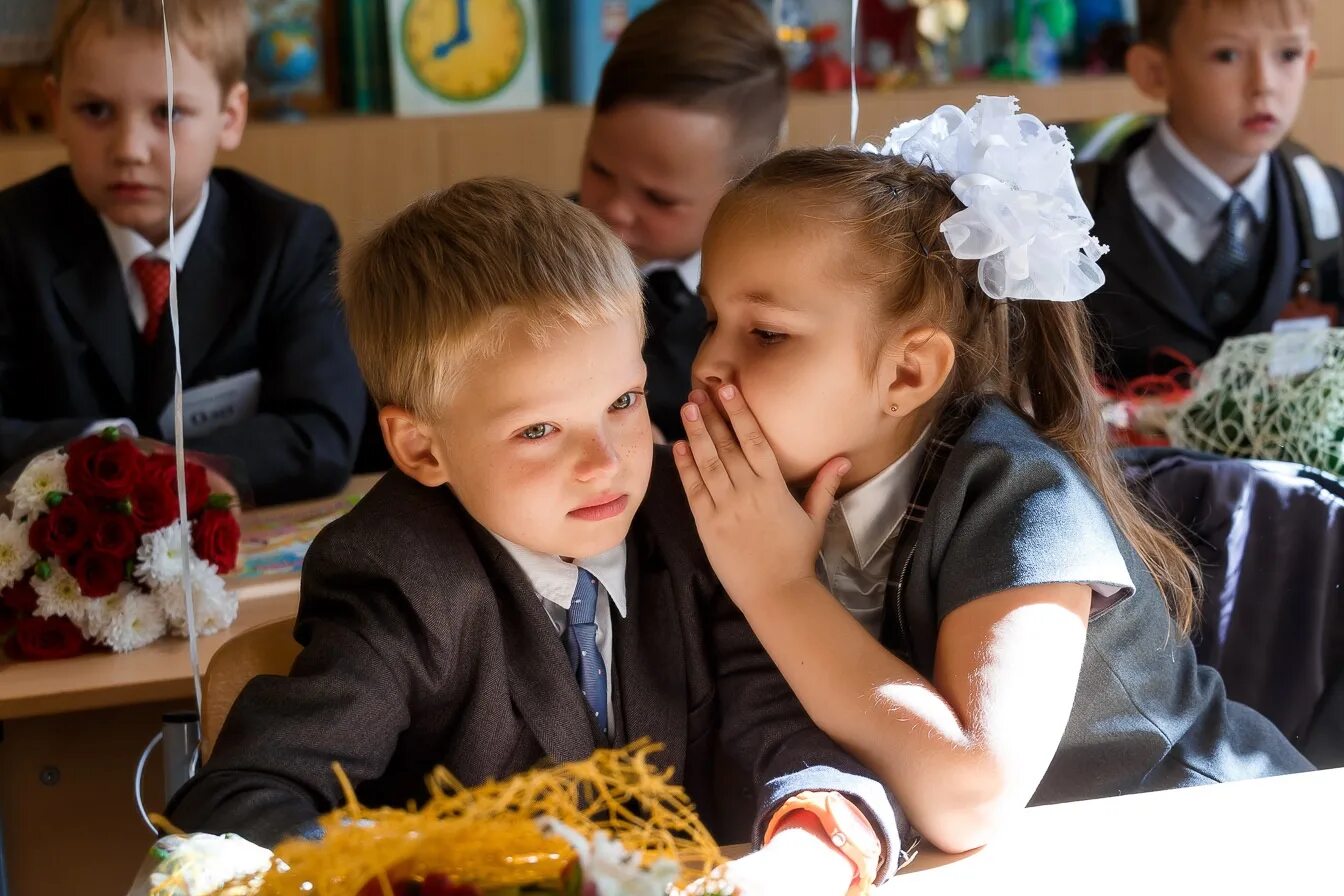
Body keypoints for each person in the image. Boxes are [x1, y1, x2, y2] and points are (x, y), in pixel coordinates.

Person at [168, 179, 909, 895]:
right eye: (539, 429)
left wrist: (810, 848)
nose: (605, 463)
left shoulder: (696, 519)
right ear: (422, 448)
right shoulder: (400, 572)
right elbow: (244, 796)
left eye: (622, 401)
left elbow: (781, 726)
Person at [673, 96, 1312, 855]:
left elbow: (972, 795)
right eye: (710, 319)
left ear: (908, 372)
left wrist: (777, 589)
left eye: (767, 334)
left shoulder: (1020, 493)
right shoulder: (773, 497)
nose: (709, 362)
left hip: (1222, 843)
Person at [0, 0, 364, 504]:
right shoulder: (11, 237)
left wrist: (164, 471)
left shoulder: (290, 239)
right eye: (95, 110)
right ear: (55, 108)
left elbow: (319, 435)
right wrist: (107, 452)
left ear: (230, 117)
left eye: (168, 112)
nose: (129, 147)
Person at [1081, 0, 1342, 383]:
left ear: (1309, 63)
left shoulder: (1332, 203)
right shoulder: (1070, 216)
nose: (1264, 84)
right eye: (1227, 55)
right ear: (1155, 71)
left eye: (1288, 54)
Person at [578, 0, 788, 440]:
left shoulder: (774, 306)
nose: (615, 208)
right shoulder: (532, 252)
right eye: (599, 169)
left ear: (741, 190)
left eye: (659, 198)